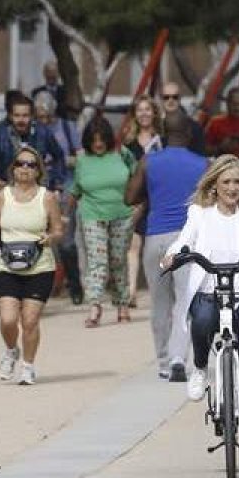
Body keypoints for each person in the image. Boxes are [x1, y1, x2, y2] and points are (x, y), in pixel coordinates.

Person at [164, 156, 239, 453]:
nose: (232, 188)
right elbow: (184, 240)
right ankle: (201, 369)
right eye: (226, 182)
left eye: (237, 182)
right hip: (209, 289)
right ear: (214, 185)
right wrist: (172, 255)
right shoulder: (199, 213)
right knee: (203, 319)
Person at [125, 110, 209, 380]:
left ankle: (162, 362)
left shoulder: (149, 162)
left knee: (160, 303)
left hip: (156, 238)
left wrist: (152, 193)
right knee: (186, 301)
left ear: (162, 131)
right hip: (187, 239)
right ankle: (178, 358)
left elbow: (129, 197)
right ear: (189, 132)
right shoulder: (204, 164)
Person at [0, 145, 64, 386]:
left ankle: (28, 366)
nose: (25, 169)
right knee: (8, 319)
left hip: (39, 265)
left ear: (38, 170)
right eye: (21, 163)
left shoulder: (47, 197)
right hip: (7, 264)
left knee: (29, 320)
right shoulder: (2, 196)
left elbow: (58, 228)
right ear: (13, 168)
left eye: (31, 164)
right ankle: (11, 350)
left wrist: (51, 238)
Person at [71, 116, 136, 327]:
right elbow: (76, 188)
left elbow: (137, 176)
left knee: (118, 260)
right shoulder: (82, 159)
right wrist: (63, 213)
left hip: (122, 213)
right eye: (93, 139)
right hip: (92, 214)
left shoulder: (122, 153)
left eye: (101, 139)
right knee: (97, 262)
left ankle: (122, 304)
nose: (97, 143)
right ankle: (95, 306)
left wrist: (139, 204)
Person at [33, 90, 83, 307]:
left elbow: (80, 157)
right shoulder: (35, 131)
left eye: (46, 116)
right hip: (41, 190)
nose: (43, 121)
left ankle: (75, 284)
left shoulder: (67, 128)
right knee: (41, 241)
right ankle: (41, 288)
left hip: (64, 189)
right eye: (39, 116)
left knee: (66, 242)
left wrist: (61, 160)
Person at [123, 95, 164, 309]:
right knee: (134, 245)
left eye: (148, 109)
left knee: (157, 247)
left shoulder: (162, 140)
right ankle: (131, 292)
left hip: (158, 200)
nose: (144, 114)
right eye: (140, 110)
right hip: (137, 200)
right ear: (135, 115)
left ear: (154, 113)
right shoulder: (128, 144)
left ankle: (160, 290)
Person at [0, 93, 66, 193]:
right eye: (17, 115)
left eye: (25, 115)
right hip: (9, 191)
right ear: (10, 116)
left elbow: (59, 156)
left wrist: (56, 184)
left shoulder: (43, 132)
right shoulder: (0, 134)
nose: (21, 120)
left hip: (36, 191)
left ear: (32, 116)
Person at [158, 82, 207, 156]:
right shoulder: (157, 126)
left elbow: (200, 156)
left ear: (179, 99)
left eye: (175, 97)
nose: (170, 100)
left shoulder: (194, 127)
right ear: (161, 100)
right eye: (166, 97)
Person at [204, 87, 239, 158]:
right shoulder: (215, 123)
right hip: (223, 165)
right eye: (234, 104)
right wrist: (220, 148)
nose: (237, 108)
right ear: (227, 103)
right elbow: (203, 149)